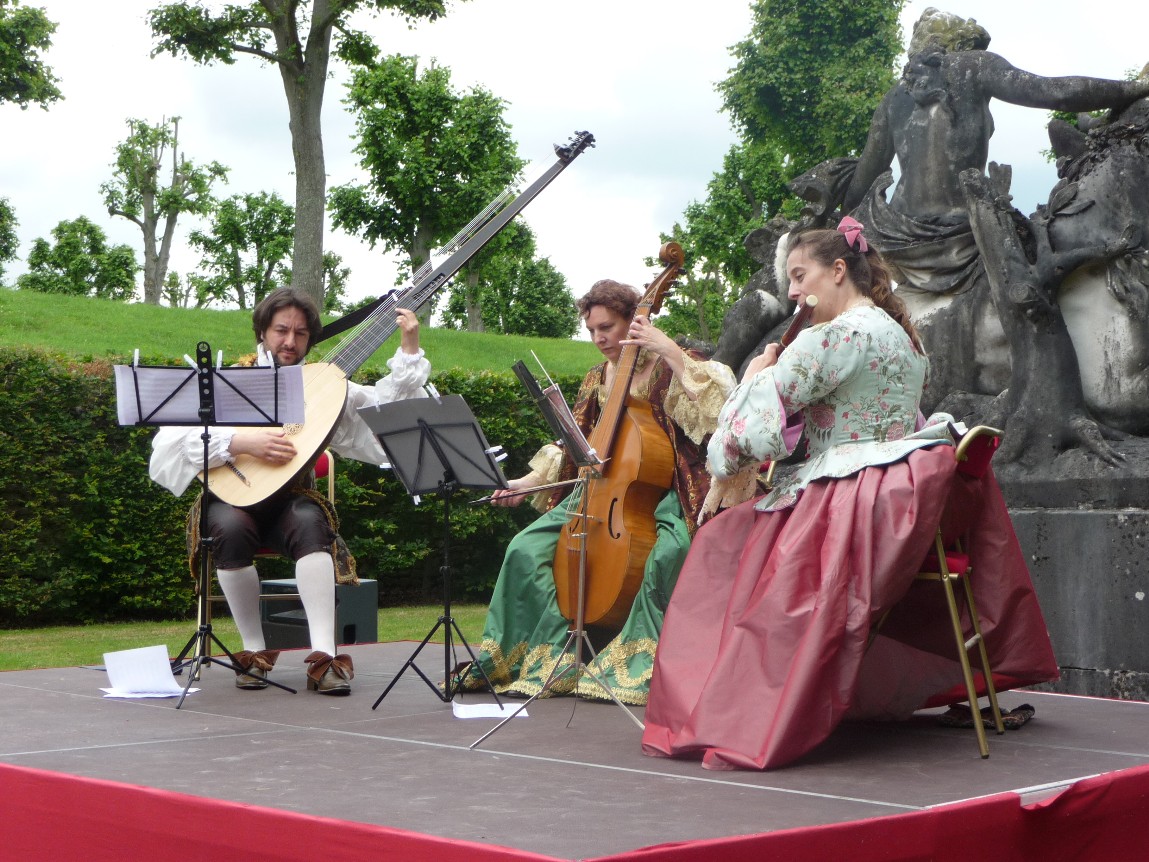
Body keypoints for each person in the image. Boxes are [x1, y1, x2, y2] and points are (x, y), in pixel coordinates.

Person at [641, 221, 1058, 770]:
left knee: (720, 545)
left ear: (838, 271)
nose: (794, 292)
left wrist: (757, 374)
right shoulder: (904, 337)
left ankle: (739, 705)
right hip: (902, 499)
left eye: (800, 275)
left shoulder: (834, 337)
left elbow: (753, 429)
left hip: (849, 495)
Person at [457, 279, 735, 704]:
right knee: (524, 549)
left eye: (607, 327)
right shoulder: (596, 377)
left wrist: (668, 348)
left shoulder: (668, 365)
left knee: (670, 551)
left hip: (663, 487)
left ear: (633, 321)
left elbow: (720, 406)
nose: (599, 338)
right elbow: (575, 442)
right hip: (599, 491)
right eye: (591, 330)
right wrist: (524, 483)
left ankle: (641, 659)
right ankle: (548, 655)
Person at [149, 287, 430, 695]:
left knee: (309, 522)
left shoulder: (323, 386)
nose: (290, 341)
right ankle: (254, 653)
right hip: (232, 498)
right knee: (228, 527)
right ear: (263, 331)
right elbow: (171, 444)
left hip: (292, 501)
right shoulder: (230, 381)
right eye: (281, 330)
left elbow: (388, 413)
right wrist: (242, 443)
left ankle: (325, 656)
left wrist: (409, 349)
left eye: (300, 333)